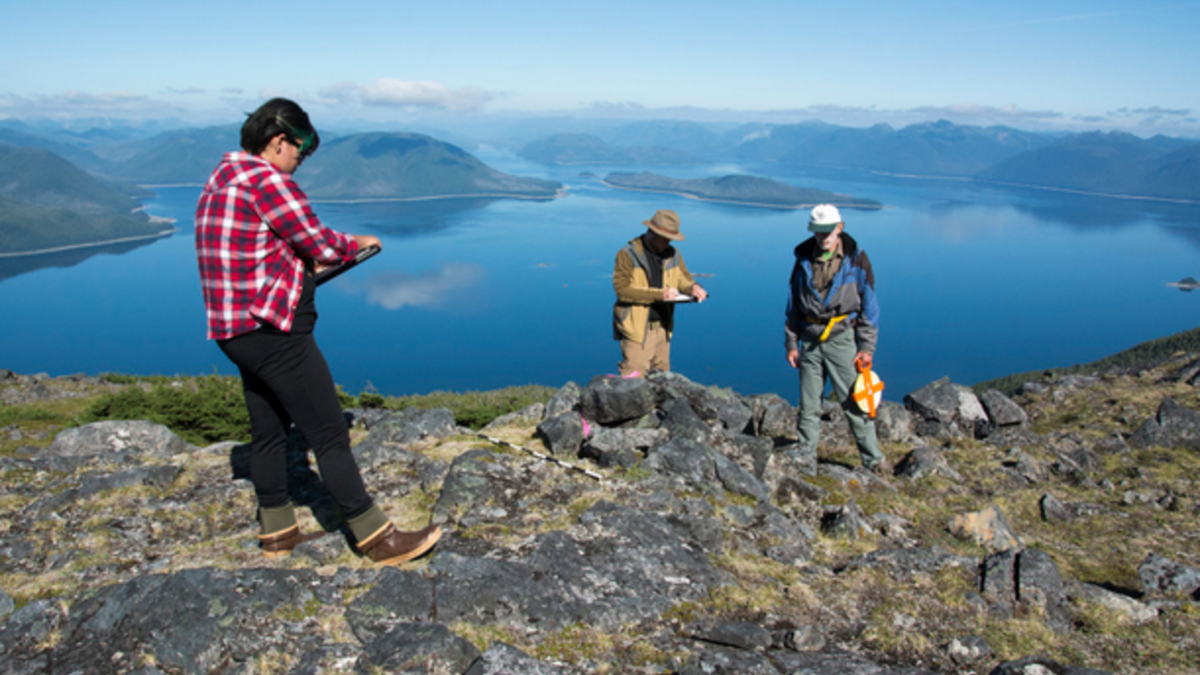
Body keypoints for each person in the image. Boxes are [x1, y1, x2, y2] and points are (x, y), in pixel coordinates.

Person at [195, 98, 441, 563]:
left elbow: (266, 250)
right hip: (275, 332)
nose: (300, 162)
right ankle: (377, 538)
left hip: (235, 332)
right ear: (278, 141)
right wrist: (358, 244)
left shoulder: (222, 176)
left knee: (268, 431)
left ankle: (277, 533)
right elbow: (318, 242)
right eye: (300, 151)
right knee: (328, 434)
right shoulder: (268, 181)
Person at [784, 204, 886, 473]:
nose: (823, 237)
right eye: (818, 232)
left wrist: (867, 347)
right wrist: (791, 343)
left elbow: (870, 306)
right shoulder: (803, 260)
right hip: (810, 341)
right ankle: (805, 459)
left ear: (839, 228)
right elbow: (793, 305)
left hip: (842, 340)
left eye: (827, 231)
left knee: (855, 401)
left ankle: (873, 460)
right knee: (808, 404)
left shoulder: (856, 260)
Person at [612, 209, 708, 377]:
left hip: (663, 329)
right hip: (636, 330)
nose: (667, 242)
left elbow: (683, 278)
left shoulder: (673, 254)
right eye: (664, 238)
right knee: (633, 381)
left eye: (670, 238)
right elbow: (622, 291)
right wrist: (660, 295)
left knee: (662, 380)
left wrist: (693, 287)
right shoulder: (628, 255)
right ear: (651, 231)